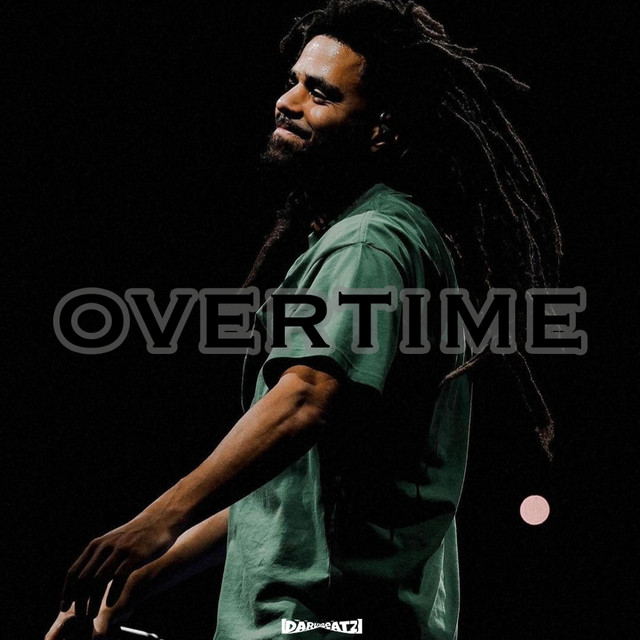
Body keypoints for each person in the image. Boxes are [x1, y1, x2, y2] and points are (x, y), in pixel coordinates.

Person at [46, 1, 561, 639]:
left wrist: (158, 519)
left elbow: (305, 398)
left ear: (381, 131)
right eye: (293, 81)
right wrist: (131, 582)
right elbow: (287, 487)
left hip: (327, 619)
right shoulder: (372, 237)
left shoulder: (372, 244)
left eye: (320, 93)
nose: (287, 102)